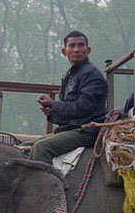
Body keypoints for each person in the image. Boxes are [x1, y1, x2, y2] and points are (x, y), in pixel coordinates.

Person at [29, 30, 108, 163]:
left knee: (41, 148)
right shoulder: (69, 76)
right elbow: (70, 113)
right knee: (26, 146)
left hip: (87, 131)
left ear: (88, 50)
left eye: (81, 45)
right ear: (64, 51)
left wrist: (53, 104)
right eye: (72, 46)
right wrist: (51, 113)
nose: (76, 50)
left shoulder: (92, 74)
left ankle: (46, 184)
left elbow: (83, 107)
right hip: (73, 129)